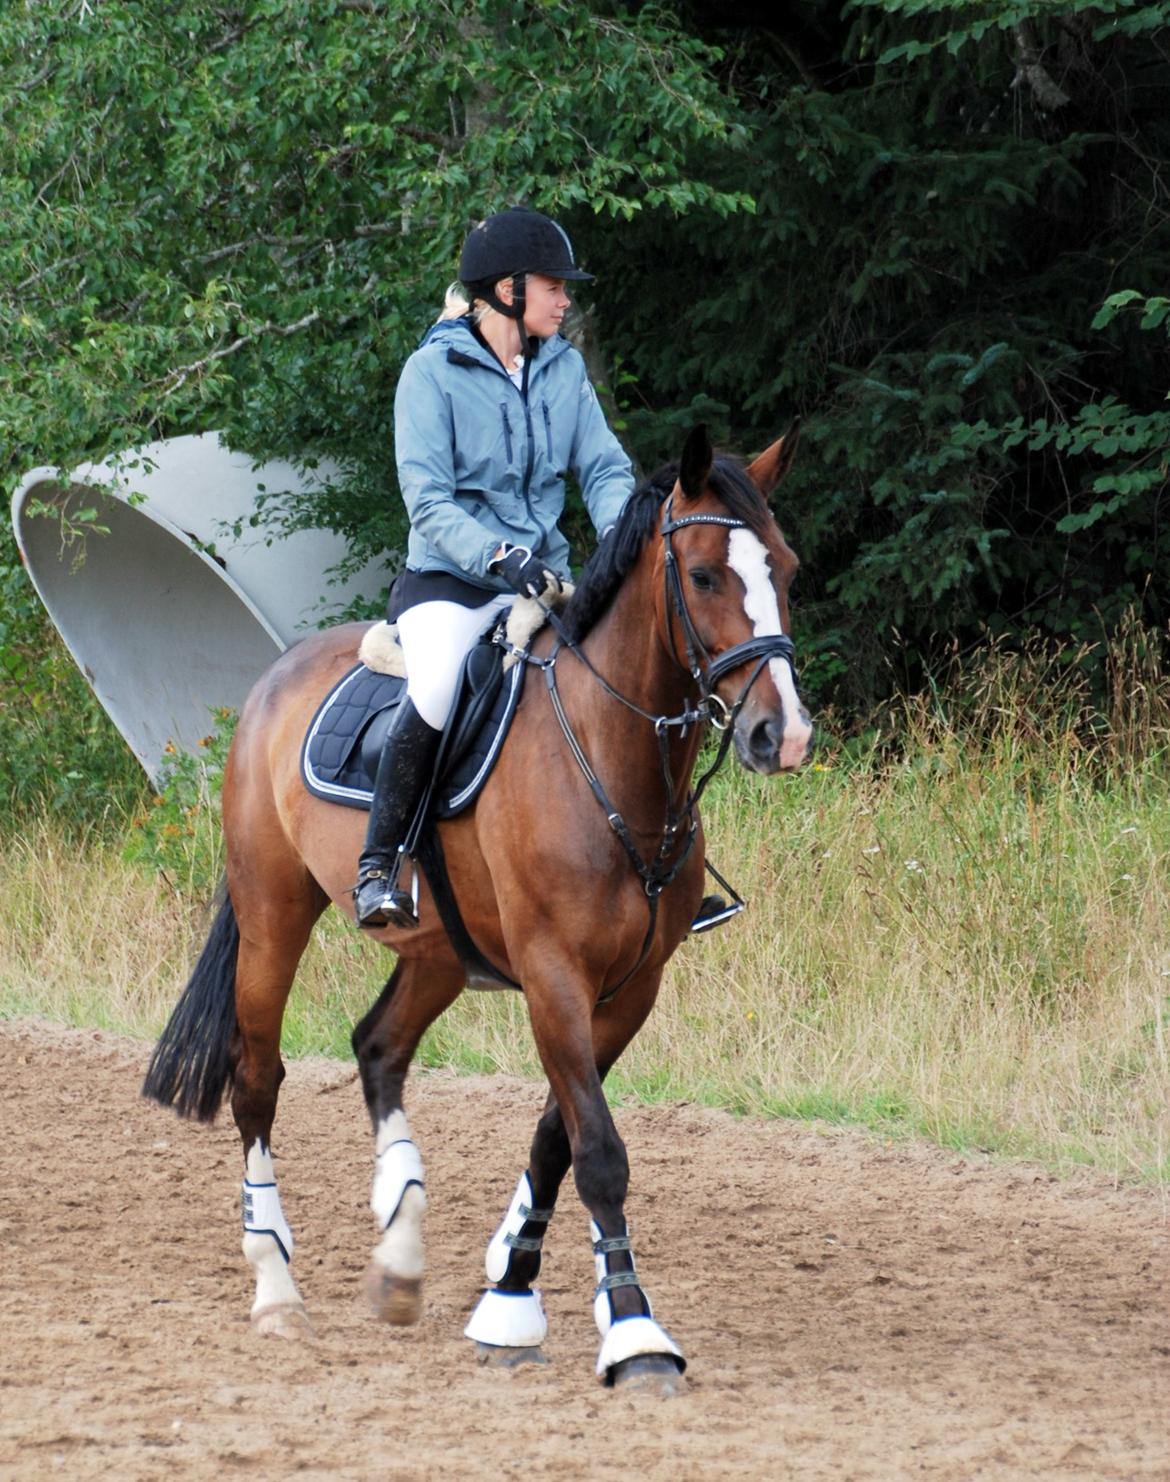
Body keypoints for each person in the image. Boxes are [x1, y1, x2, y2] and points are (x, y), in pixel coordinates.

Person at [353, 206, 634, 929]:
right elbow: (428, 502)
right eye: (552, 286)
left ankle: (650, 871)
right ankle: (378, 866)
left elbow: (602, 466)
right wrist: (499, 555)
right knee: (441, 684)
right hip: (453, 583)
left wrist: (625, 533)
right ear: (506, 289)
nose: (564, 298)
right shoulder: (431, 373)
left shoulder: (563, 368)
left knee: (624, 679)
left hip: (544, 581)